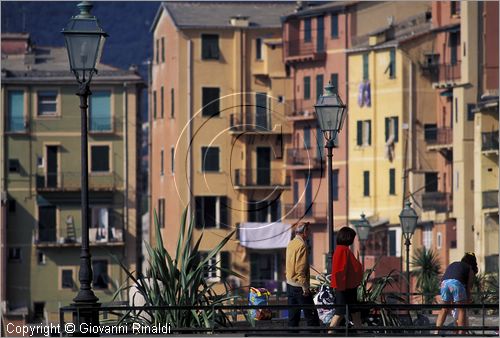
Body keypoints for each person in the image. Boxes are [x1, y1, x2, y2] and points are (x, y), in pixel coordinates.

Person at [286, 222, 320, 328]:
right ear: (304, 231)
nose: (309, 233)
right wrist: (305, 288)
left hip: (290, 284)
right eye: (308, 230)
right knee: (311, 317)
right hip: (299, 286)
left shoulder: (291, 243)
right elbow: (300, 269)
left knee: (293, 317)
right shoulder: (302, 245)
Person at [329, 226, 364, 330]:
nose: (353, 240)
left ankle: (361, 335)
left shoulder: (344, 250)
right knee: (339, 313)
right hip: (344, 288)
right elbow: (340, 270)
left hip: (348, 287)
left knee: (355, 313)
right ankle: (329, 335)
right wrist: (340, 287)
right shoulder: (342, 250)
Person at [436, 252, 478, 334]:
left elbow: (446, 277)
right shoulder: (469, 268)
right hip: (456, 284)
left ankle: (436, 332)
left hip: (444, 284)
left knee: (444, 309)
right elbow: (468, 288)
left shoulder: (453, 264)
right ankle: (461, 332)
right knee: (462, 309)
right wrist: (468, 300)